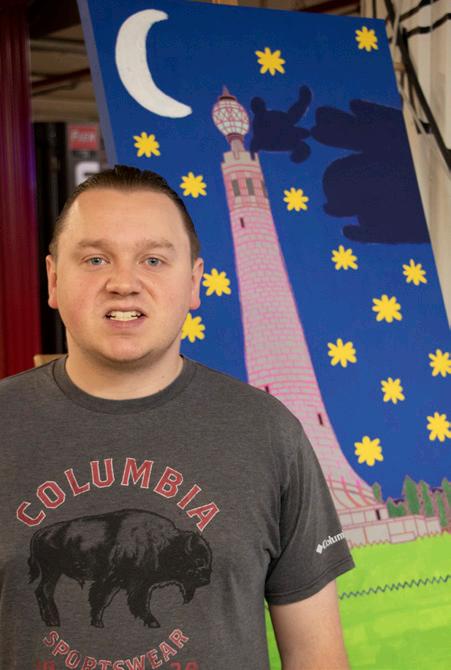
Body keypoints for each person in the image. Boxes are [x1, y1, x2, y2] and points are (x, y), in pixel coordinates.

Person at [0, 165, 355, 670]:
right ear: (54, 279)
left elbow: (316, 656)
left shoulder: (269, 434)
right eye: (96, 259)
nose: (123, 283)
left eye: (153, 260)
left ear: (194, 282)